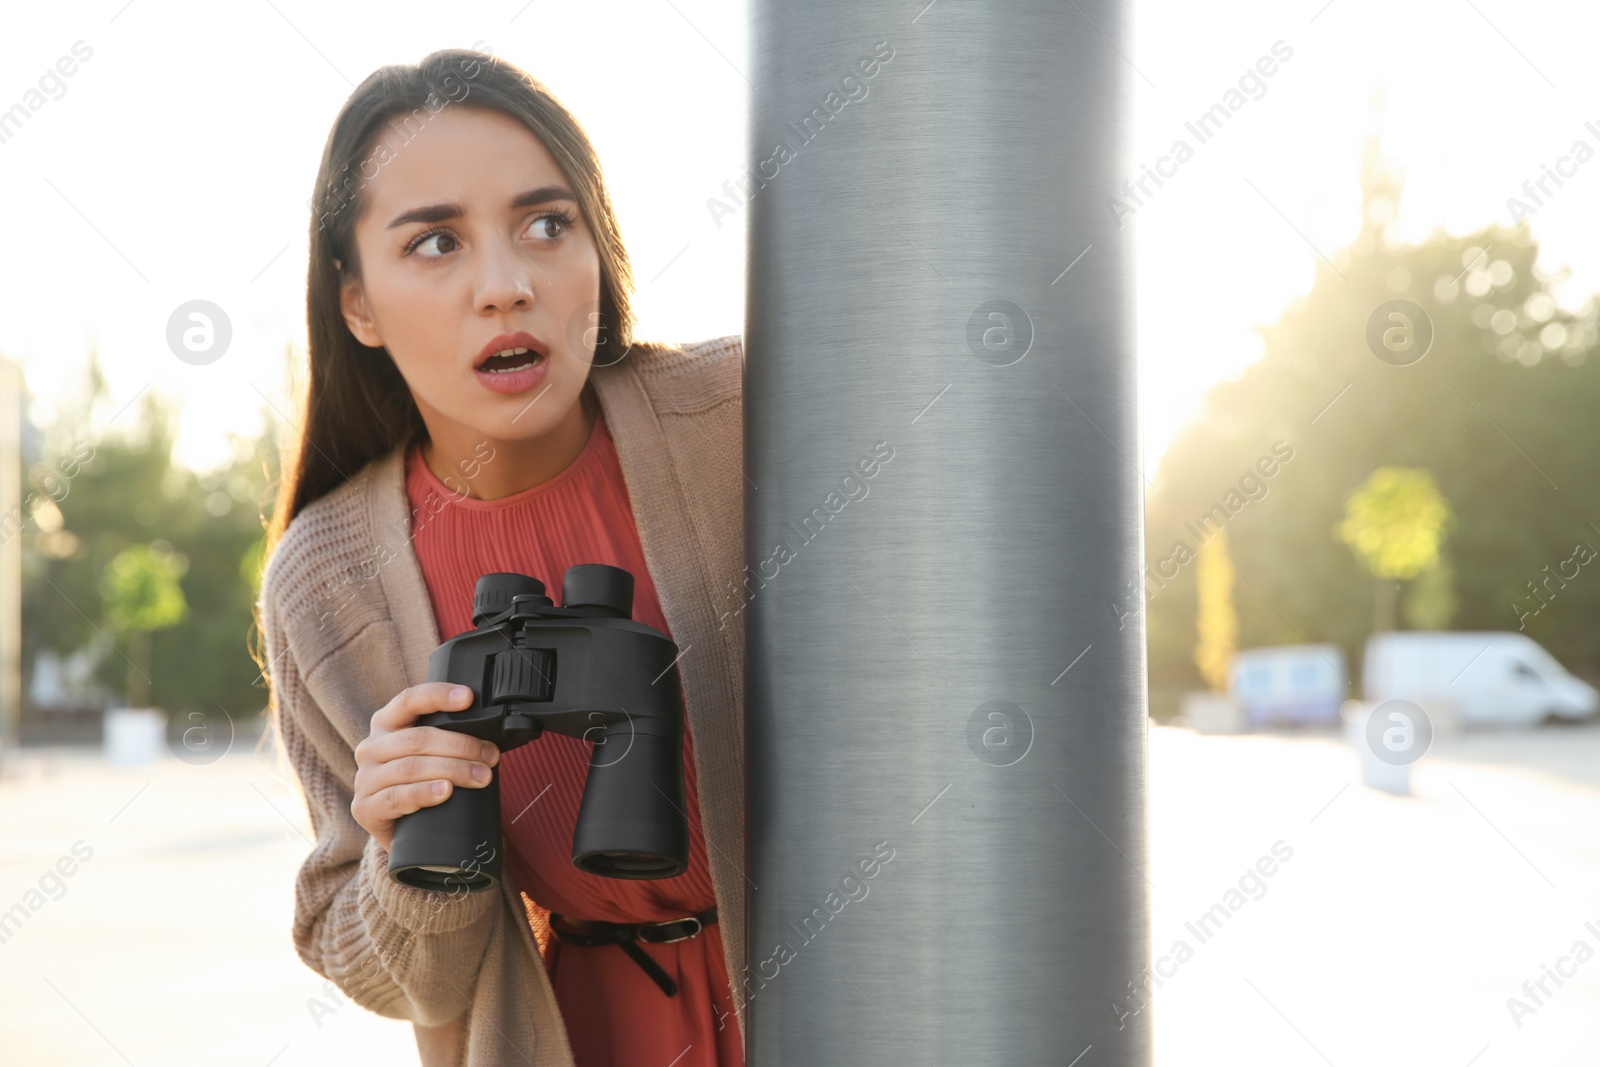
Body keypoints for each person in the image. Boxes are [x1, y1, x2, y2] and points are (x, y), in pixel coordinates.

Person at [253, 48, 748, 1067]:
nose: (506, 285)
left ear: (597, 245)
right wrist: (407, 849)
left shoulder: (745, 417)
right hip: (583, 1031)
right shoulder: (329, 576)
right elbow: (385, 971)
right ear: (357, 304)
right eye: (435, 241)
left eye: (546, 223)